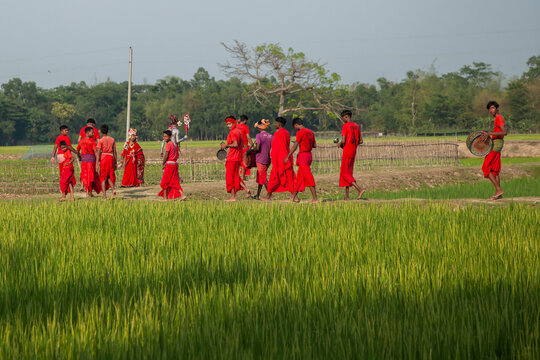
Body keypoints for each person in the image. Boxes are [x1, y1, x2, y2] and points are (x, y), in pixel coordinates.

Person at [285, 118, 318, 203]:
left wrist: (288, 156)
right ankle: (293, 197)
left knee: (308, 176)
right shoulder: (311, 132)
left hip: (303, 156)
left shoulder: (300, 132)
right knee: (300, 177)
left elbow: (295, 146)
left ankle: (315, 198)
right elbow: (314, 145)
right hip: (309, 156)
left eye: (294, 126)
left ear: (296, 125)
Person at [480, 101, 507, 200]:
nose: (491, 110)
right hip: (496, 144)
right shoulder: (497, 118)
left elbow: (504, 132)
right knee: (494, 169)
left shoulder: (499, 118)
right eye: (490, 109)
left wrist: (489, 133)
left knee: (486, 167)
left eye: (492, 108)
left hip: (496, 145)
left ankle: (499, 189)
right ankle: (499, 194)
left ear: (497, 108)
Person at [221, 117, 251, 201]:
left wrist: (226, 145)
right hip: (238, 157)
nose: (228, 126)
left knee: (230, 177)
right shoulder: (239, 131)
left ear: (234, 123)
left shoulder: (233, 132)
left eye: (229, 124)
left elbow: (235, 144)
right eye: (227, 124)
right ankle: (246, 189)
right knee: (236, 176)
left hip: (232, 157)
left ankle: (233, 197)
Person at [337, 110, 365, 201]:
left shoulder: (345, 126)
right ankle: (346, 196)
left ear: (346, 117)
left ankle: (359, 189)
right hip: (353, 152)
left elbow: (344, 141)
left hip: (347, 152)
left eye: (343, 118)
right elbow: (361, 141)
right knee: (348, 173)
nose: (343, 120)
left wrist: (340, 143)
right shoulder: (356, 126)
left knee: (345, 173)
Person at [265, 117, 295, 200]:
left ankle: (268, 196)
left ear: (279, 124)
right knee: (289, 176)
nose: (275, 124)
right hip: (286, 157)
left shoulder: (278, 134)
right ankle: (294, 195)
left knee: (274, 176)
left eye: (276, 123)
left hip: (279, 158)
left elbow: (276, 148)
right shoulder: (286, 133)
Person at [159, 130, 187, 201]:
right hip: (174, 164)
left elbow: (166, 154)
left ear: (170, 137)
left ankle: (165, 198)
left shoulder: (168, 144)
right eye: (163, 136)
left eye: (166, 136)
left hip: (170, 165)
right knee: (174, 180)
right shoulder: (173, 145)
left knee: (165, 181)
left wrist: (163, 163)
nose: (164, 138)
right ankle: (182, 195)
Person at [76, 127, 102, 197]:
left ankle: (87, 191)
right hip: (91, 161)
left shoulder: (81, 141)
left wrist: (79, 157)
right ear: (87, 133)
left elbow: (77, 150)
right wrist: (97, 163)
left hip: (84, 161)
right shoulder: (92, 142)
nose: (93, 134)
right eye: (92, 132)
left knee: (85, 176)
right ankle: (89, 192)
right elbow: (96, 153)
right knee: (90, 177)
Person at [252, 119, 273, 200]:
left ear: (260, 127)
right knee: (261, 177)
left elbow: (257, 148)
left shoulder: (258, 136)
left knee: (263, 178)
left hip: (260, 159)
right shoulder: (271, 136)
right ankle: (257, 195)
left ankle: (269, 195)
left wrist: (250, 151)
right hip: (268, 159)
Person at [96, 124, 117, 200]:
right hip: (111, 158)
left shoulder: (100, 141)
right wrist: (115, 163)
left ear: (101, 131)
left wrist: (97, 164)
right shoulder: (112, 139)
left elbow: (98, 153)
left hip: (104, 158)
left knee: (103, 178)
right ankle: (113, 191)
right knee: (110, 175)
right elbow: (115, 152)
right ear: (108, 131)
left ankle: (104, 196)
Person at [236, 115, 253, 180]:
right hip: (244, 146)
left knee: (238, 161)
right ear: (245, 120)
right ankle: (243, 176)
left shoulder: (236, 126)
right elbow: (248, 137)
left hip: (237, 146)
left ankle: (237, 176)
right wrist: (252, 145)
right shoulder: (245, 127)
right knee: (244, 161)